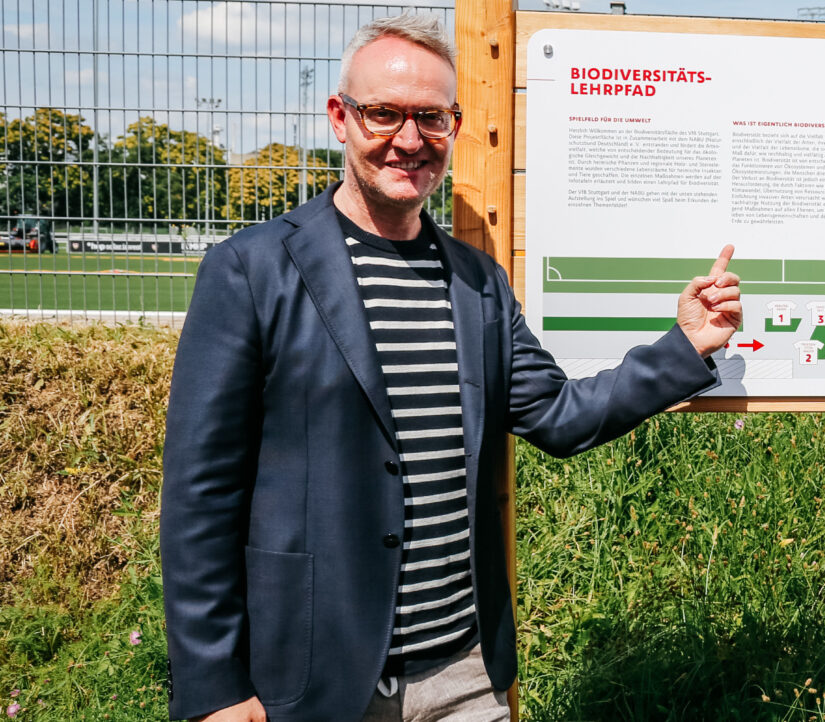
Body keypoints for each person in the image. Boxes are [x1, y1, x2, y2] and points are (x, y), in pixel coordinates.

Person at [160, 15, 741, 722]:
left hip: (463, 675)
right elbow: (200, 496)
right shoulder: (251, 271)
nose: (409, 140)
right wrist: (216, 686)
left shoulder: (478, 285)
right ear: (340, 118)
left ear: (455, 127)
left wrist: (685, 345)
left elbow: (559, 416)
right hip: (313, 678)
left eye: (431, 118)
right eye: (384, 114)